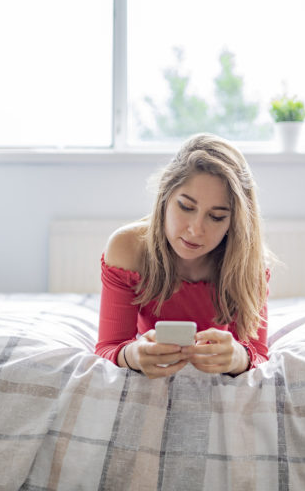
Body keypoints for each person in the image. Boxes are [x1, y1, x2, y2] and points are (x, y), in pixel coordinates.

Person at [95, 133, 271, 378]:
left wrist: (239, 357)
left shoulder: (247, 263)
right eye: (186, 207)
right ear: (165, 197)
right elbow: (108, 347)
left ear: (234, 222)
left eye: (216, 216)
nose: (196, 230)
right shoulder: (128, 248)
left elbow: (259, 354)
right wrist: (133, 355)